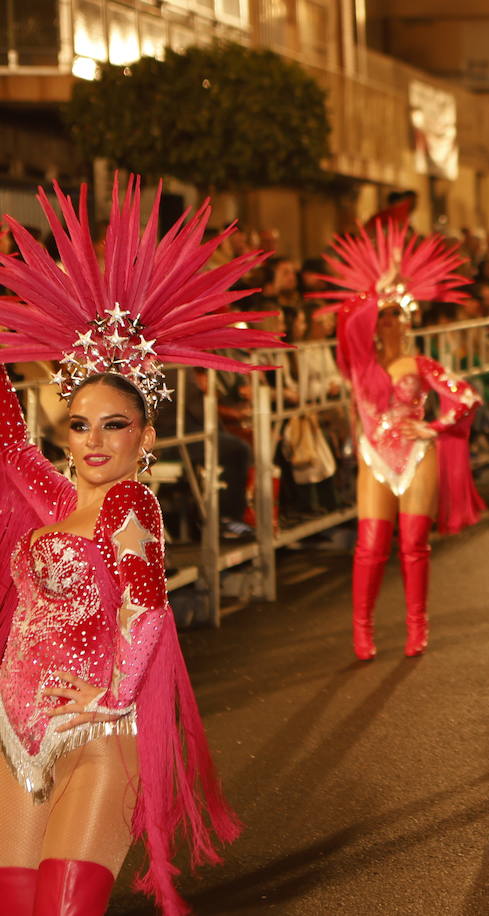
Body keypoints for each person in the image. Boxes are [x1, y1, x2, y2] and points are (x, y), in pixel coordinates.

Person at [0, 178, 278, 914]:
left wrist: (113, 694)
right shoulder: (58, 504)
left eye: (114, 424)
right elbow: (6, 438)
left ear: (145, 435)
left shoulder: (130, 504)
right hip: (15, 736)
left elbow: (148, 610)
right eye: (80, 425)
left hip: (94, 738)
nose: (94, 441)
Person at [311, 220, 485, 661]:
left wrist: (435, 427)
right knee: (370, 547)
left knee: (412, 544)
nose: (389, 322)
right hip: (375, 459)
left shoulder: (422, 363)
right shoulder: (357, 362)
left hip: (416, 455)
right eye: (383, 315)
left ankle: (416, 626)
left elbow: (465, 396)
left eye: (396, 314)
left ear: (408, 320)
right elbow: (347, 321)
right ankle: (363, 631)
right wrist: (376, 289)